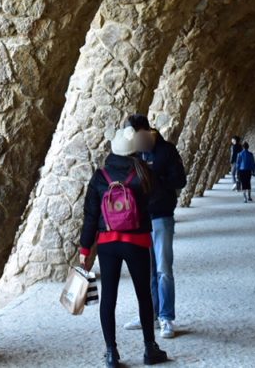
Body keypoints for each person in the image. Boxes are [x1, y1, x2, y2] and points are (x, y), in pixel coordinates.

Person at [80, 115, 168, 367]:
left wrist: (85, 248)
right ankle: (150, 349)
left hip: (107, 244)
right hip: (138, 242)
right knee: (143, 295)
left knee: (109, 297)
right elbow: (158, 200)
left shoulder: (101, 176)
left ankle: (111, 353)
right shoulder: (144, 173)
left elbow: (90, 215)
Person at [125, 123, 187, 339]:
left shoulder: (166, 151)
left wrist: (155, 179)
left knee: (163, 269)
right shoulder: (134, 153)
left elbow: (181, 180)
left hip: (161, 217)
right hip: (140, 219)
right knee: (147, 271)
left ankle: (167, 317)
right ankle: (149, 314)